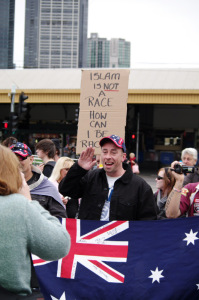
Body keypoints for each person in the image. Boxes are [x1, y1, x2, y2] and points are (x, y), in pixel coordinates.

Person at [0, 145, 70, 297]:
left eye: (22, 158)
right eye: (15, 161)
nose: (19, 163)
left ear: (31, 159)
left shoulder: (47, 187)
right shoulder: (19, 205)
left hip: (37, 270)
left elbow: (61, 218)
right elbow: (59, 244)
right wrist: (28, 201)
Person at [59, 135, 157, 221]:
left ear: (123, 157)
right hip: (90, 239)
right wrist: (79, 168)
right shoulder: (90, 177)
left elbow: (148, 222)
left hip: (121, 241)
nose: (108, 157)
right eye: (104, 152)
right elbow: (65, 189)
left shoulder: (140, 187)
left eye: (113, 152)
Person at [10, 142, 67, 218]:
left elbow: (60, 221)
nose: (16, 162)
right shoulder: (3, 185)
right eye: (11, 159)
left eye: (20, 158)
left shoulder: (47, 187)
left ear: (31, 159)